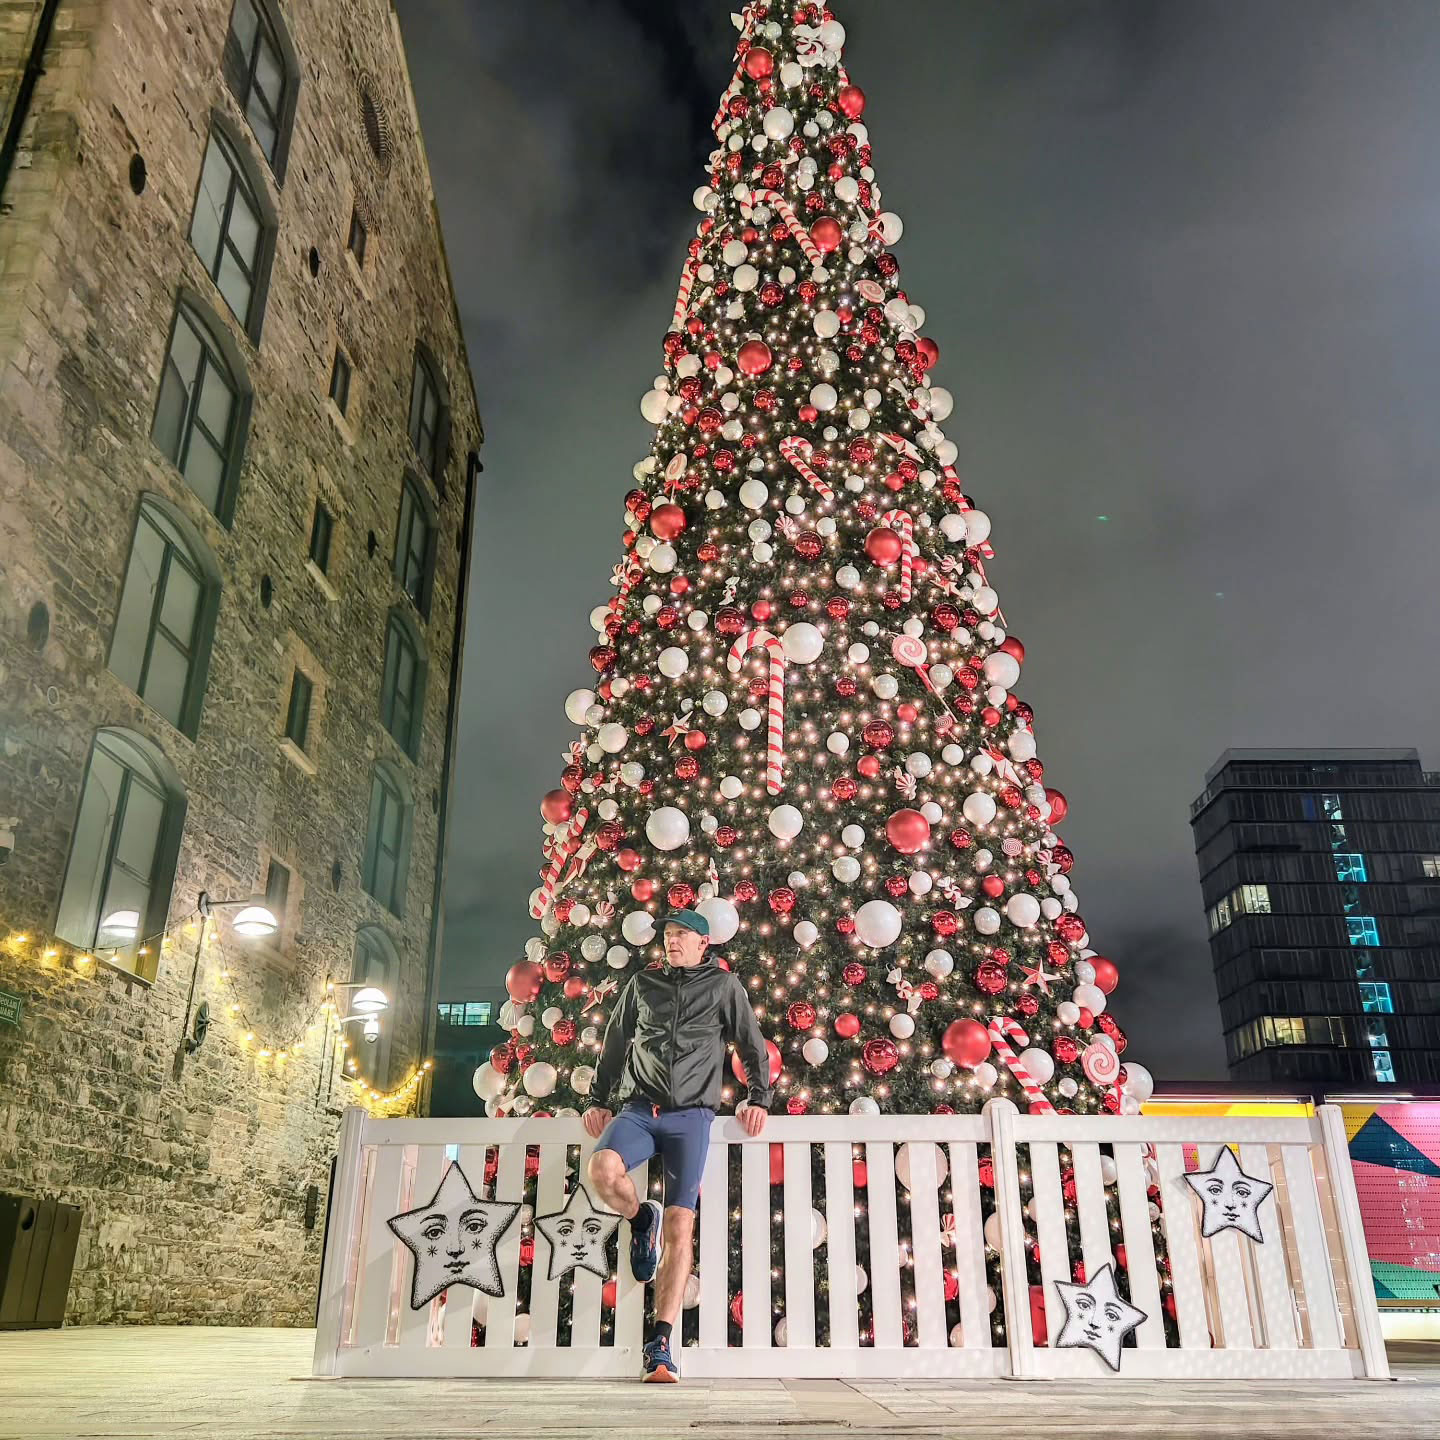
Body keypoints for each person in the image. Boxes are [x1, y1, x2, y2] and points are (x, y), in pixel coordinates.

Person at [583, 908, 770, 1382]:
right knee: (602, 1169)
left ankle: (661, 1345)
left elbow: (751, 1044)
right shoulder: (643, 984)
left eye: (682, 934)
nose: (672, 941)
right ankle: (638, 1217)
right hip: (639, 1110)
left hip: (691, 1117)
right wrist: (597, 1098)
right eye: (668, 934)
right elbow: (615, 1041)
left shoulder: (724, 987)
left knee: (681, 1224)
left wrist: (758, 1098)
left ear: (704, 944)